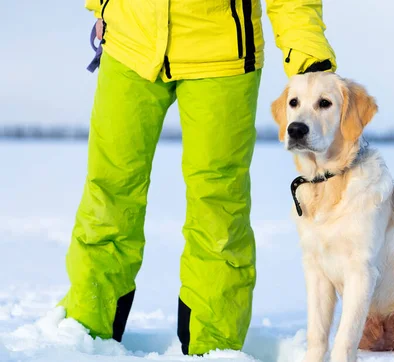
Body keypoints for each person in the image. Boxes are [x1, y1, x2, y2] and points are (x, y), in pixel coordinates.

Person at [59, 0, 336, 356]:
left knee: (217, 207)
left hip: (222, 54)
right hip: (130, 41)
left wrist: (309, 57)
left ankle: (213, 345)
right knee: (107, 192)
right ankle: (84, 330)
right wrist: (103, 8)